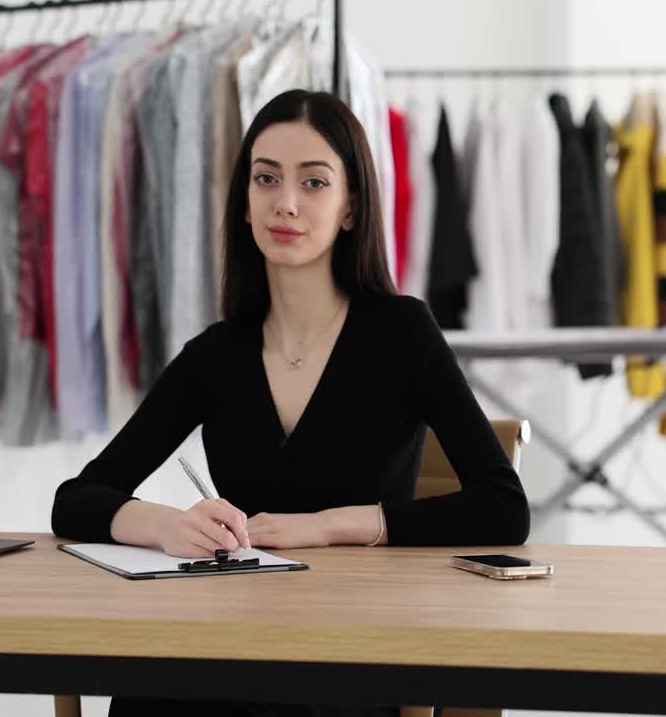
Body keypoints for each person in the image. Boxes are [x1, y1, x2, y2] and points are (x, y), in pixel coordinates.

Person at [51, 89, 530, 717]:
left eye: (313, 182)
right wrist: (171, 526)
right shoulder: (215, 354)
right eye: (266, 178)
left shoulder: (404, 334)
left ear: (351, 208)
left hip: (356, 647)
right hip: (231, 634)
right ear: (245, 205)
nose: (286, 202)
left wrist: (329, 526)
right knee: (148, 685)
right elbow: (77, 501)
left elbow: (503, 508)